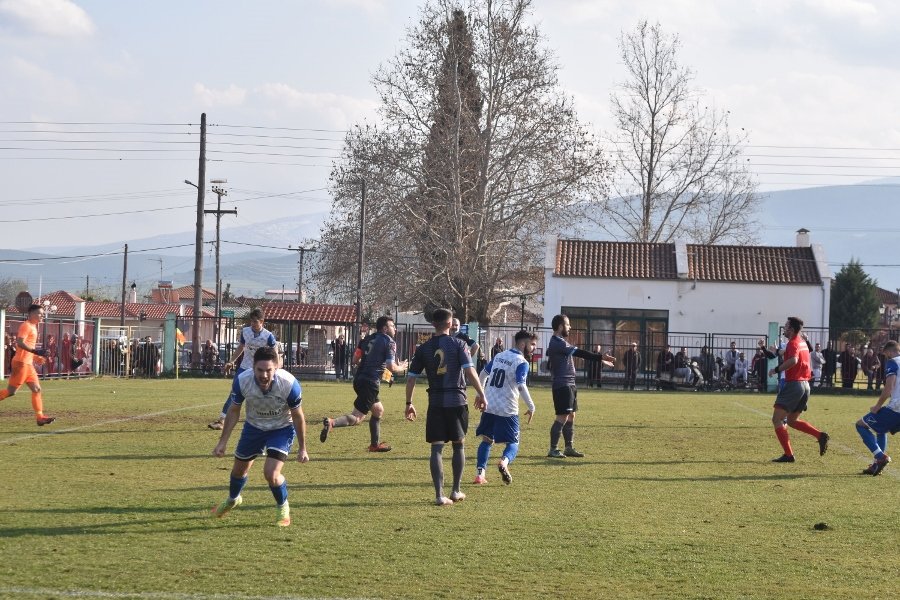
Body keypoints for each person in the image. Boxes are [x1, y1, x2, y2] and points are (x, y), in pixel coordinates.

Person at [211, 346, 308, 526]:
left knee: (271, 474)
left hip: (281, 429)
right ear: (253, 367)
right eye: (260, 370)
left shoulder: (289, 384)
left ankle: (283, 508)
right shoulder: (242, 380)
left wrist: (302, 448)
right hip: (253, 427)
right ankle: (233, 499)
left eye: (269, 370)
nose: (264, 375)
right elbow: (233, 411)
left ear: (276, 367)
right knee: (239, 471)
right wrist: (222, 442)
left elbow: (298, 416)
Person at [405, 308, 487, 506]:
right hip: (457, 401)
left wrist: (409, 403)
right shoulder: (459, 344)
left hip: (435, 402)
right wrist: (481, 393)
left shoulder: (423, 349)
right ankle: (456, 490)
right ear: (450, 324)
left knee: (437, 448)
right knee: (459, 445)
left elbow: (411, 378)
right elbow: (470, 371)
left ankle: (439, 495)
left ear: (433, 324)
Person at [320, 316, 407, 452]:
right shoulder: (389, 342)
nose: (394, 328)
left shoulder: (365, 339)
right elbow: (391, 366)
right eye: (392, 326)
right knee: (357, 417)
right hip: (370, 382)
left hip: (359, 379)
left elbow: (355, 359)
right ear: (385, 328)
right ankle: (332, 422)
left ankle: (374, 445)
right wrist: (401, 367)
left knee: (378, 410)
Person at [473, 330, 537, 485]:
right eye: (532, 344)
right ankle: (504, 462)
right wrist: (531, 406)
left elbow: (482, 374)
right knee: (513, 443)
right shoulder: (522, 362)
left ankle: (480, 475)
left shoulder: (499, 356)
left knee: (487, 440)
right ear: (523, 344)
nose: (534, 348)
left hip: (490, 404)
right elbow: (521, 385)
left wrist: (480, 394)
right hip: (507, 408)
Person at [545, 314, 610, 458]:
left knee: (571, 416)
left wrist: (600, 359)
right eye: (568, 324)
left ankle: (568, 447)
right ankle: (553, 449)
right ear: (561, 326)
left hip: (570, 384)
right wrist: (600, 357)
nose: (570, 327)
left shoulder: (560, 341)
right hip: (563, 385)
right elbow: (580, 353)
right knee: (562, 417)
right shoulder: (558, 342)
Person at [768, 316, 829, 463]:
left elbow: (793, 360)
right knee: (792, 421)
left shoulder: (793, 342)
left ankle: (789, 455)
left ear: (792, 329)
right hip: (805, 385)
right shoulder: (801, 342)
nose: (784, 328)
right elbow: (791, 353)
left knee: (777, 419)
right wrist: (778, 351)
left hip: (794, 385)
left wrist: (776, 369)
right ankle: (820, 436)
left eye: (787, 326)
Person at [208, 308, 279, 430]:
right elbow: (241, 347)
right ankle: (222, 420)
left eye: (255, 321)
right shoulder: (245, 331)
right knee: (234, 392)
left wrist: (275, 367)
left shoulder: (268, 336)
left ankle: (270, 418)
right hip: (245, 367)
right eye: (251, 321)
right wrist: (231, 361)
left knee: (264, 393)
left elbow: (275, 352)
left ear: (262, 321)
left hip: (260, 370)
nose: (253, 324)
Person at [0, 304, 55, 425]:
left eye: (42, 313)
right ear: (31, 314)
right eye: (39, 313)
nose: (42, 315)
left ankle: (40, 417)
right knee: (11, 392)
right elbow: (20, 343)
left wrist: (36, 357)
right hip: (21, 363)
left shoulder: (34, 327)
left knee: (37, 389)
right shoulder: (26, 326)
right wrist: (35, 351)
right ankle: (40, 417)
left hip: (28, 364)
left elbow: (27, 347)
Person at [854, 340, 899, 476]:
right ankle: (876, 465)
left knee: (860, 425)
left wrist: (877, 406)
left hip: (896, 408)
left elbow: (889, 386)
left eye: (886, 355)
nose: (886, 358)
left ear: (890, 351)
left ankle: (880, 457)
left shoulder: (893, 362)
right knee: (881, 429)